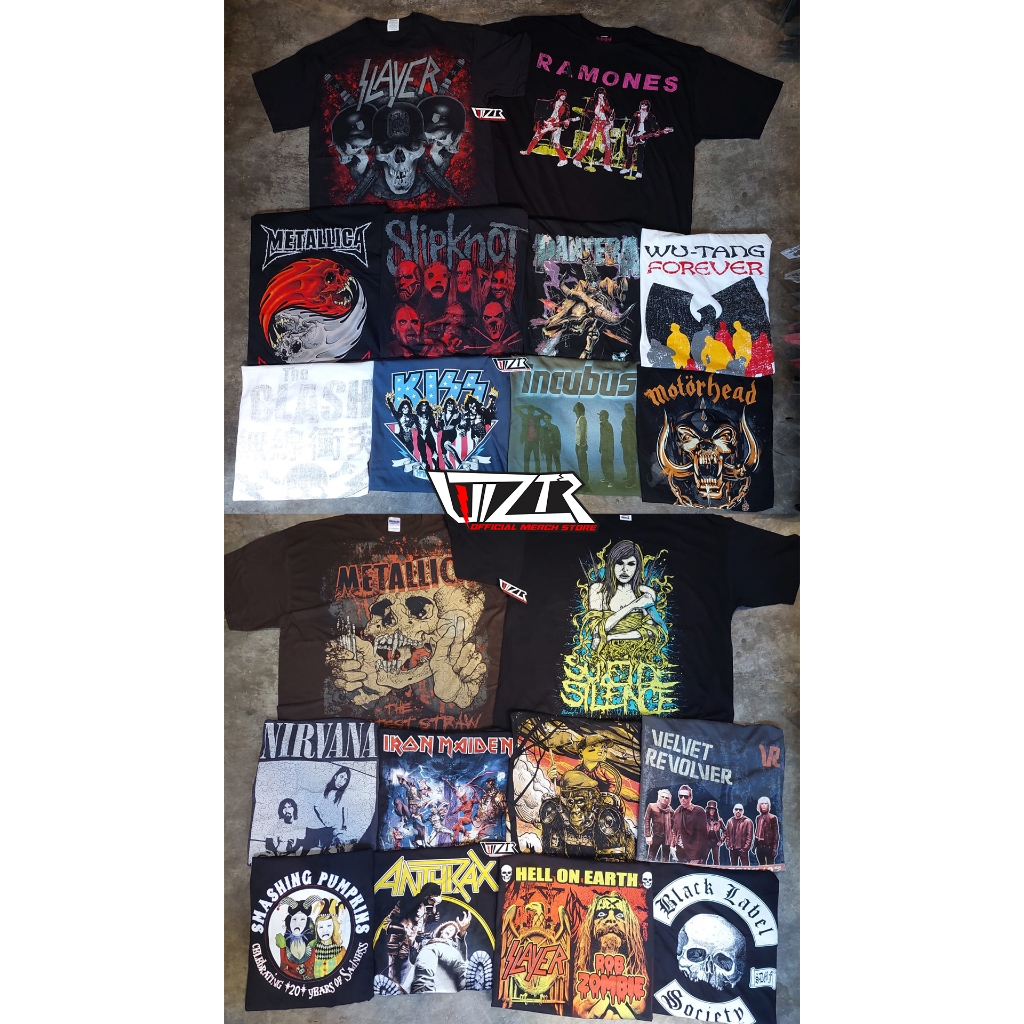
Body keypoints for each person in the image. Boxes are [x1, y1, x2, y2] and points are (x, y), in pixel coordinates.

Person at [586, 539, 657, 655]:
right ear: (611, 564)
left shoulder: (646, 592)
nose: (624, 569)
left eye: (631, 564)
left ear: (637, 567)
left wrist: (612, 637)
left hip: (637, 655)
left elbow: (650, 631)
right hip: (604, 656)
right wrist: (633, 605)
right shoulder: (598, 590)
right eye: (619, 563)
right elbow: (597, 630)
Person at [572, 87, 616, 172]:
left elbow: (610, 112)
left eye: (603, 94)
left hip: (604, 123)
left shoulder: (606, 101)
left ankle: (607, 164)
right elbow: (587, 110)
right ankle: (577, 159)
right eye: (600, 93)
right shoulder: (592, 100)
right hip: (596, 122)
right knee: (589, 141)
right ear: (597, 94)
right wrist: (592, 117)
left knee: (607, 143)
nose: (601, 95)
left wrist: (604, 105)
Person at [671, 785, 710, 864]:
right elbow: (674, 829)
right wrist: (672, 846)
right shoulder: (678, 811)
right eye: (680, 796)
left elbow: (702, 836)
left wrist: (697, 856)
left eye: (686, 796)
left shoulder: (699, 811)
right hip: (680, 851)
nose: (683, 799)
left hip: (694, 853)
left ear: (691, 797)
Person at [643, 789, 674, 861]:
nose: (664, 798)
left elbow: (673, 824)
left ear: (669, 800)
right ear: (659, 797)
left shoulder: (671, 811)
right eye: (662, 796)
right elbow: (647, 820)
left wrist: (672, 837)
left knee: (666, 859)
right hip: (656, 837)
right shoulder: (652, 806)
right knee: (651, 858)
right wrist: (648, 836)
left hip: (667, 838)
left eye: (667, 798)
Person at [751, 796, 780, 866]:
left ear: (768, 805)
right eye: (762, 804)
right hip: (759, 847)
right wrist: (754, 846)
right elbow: (757, 832)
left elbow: (776, 834)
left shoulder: (772, 818)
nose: (764, 805)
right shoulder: (758, 818)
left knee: (770, 866)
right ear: (759, 806)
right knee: (761, 866)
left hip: (769, 847)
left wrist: (774, 848)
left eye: (765, 803)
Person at [725, 802, 753, 866]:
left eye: (740, 810)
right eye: (736, 809)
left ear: (743, 811)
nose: (738, 811)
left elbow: (749, 837)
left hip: (743, 849)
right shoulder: (730, 821)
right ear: (733, 810)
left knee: (745, 868)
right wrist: (728, 845)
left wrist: (745, 848)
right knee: (733, 867)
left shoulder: (748, 821)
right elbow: (727, 834)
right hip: (732, 849)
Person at [517, 404, 543, 472]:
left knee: (537, 459)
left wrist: (537, 409)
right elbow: (516, 408)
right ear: (527, 410)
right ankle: (526, 473)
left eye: (532, 410)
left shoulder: (537, 418)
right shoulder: (524, 416)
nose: (531, 411)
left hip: (535, 442)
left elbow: (547, 415)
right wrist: (525, 406)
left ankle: (538, 473)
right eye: (529, 410)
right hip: (527, 442)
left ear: (534, 411)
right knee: (526, 459)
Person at [705, 800, 726, 866]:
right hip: (706, 842)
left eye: (713, 809)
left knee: (716, 860)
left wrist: (721, 840)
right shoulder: (704, 820)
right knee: (703, 859)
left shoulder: (719, 820)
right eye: (710, 809)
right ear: (708, 810)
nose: (712, 811)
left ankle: (716, 871)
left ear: (715, 811)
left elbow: (725, 831)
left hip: (715, 842)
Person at [621, 403, 637, 487]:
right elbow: (623, 432)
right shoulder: (625, 419)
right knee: (626, 460)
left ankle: (632, 480)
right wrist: (622, 441)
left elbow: (634, 433)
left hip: (632, 444)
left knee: (631, 461)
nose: (626, 411)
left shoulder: (633, 419)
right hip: (625, 443)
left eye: (627, 409)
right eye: (625, 409)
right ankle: (629, 476)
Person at [573, 402, 589, 484]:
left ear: (579, 410)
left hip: (581, 445)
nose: (575, 411)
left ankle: (585, 482)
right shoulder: (579, 418)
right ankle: (584, 481)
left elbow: (583, 434)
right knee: (581, 464)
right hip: (578, 444)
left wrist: (581, 447)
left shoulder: (582, 419)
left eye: (576, 409)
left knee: (583, 465)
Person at [598, 410, 615, 487]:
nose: (599, 417)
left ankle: (611, 481)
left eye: (600, 415)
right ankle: (607, 478)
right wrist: (600, 446)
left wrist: (609, 451)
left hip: (608, 449)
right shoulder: (602, 425)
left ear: (604, 416)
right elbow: (602, 437)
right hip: (604, 449)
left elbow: (610, 440)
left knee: (609, 465)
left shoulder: (608, 426)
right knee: (603, 464)